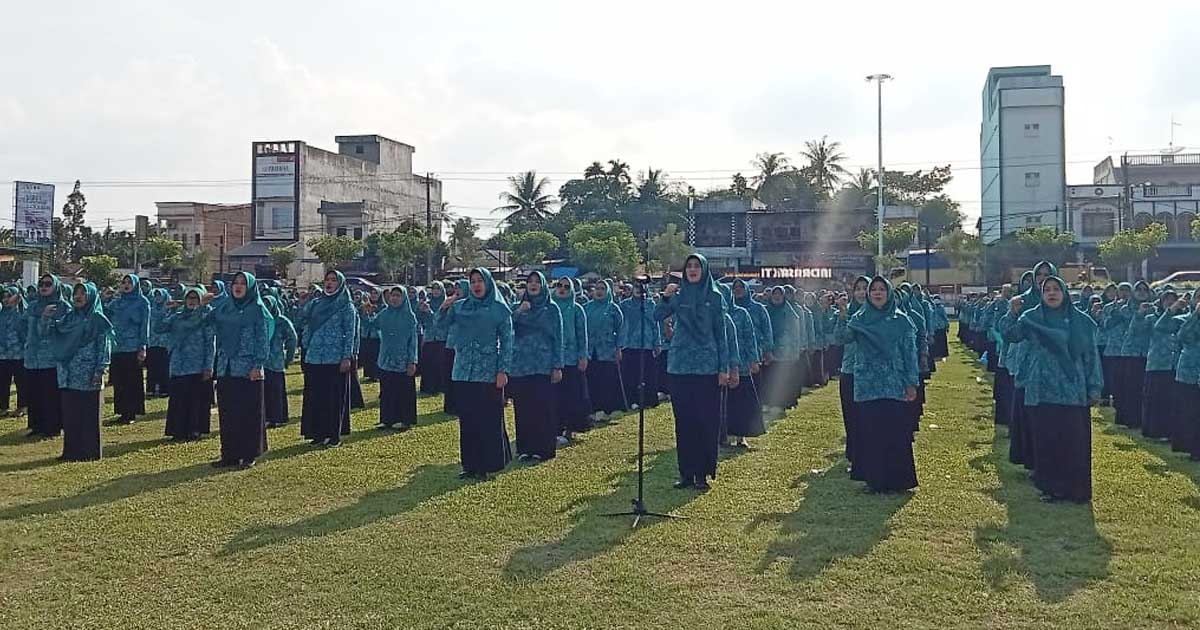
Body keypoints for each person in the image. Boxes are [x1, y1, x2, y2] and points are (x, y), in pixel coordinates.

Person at [998, 275, 1101, 503]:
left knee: (1073, 442)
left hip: (1072, 391)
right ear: (1042, 294)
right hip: (1041, 390)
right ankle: (1051, 489)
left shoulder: (1080, 321)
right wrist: (1011, 312)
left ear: (1064, 293)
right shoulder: (1032, 318)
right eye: (1047, 290)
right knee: (1047, 442)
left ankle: (1076, 491)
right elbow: (1008, 335)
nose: (1052, 293)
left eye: (1056, 289)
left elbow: (1091, 357)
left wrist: (1094, 387)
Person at [834, 276, 919, 494]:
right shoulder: (859, 319)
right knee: (870, 432)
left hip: (893, 384)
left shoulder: (901, 321)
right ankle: (873, 480)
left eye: (882, 289)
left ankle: (897, 480)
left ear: (889, 293)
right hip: (867, 384)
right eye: (874, 290)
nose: (878, 293)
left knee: (894, 432)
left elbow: (910, 354)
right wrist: (842, 313)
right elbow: (841, 338)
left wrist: (911, 383)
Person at [655, 254, 732, 491]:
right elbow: (656, 316)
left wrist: (724, 368)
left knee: (705, 421)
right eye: (688, 266)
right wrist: (666, 296)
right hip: (680, 366)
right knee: (684, 422)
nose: (692, 270)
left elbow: (722, 334)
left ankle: (702, 473)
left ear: (704, 269)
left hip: (707, 367)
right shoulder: (678, 296)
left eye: (697, 266)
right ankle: (686, 472)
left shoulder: (715, 297)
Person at [444, 268, 513, 480]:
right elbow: (438, 326)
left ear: (488, 283)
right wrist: (443, 309)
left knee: (488, 419)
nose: (476, 285)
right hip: (464, 371)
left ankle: (488, 464)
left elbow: (508, 342)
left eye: (480, 281)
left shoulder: (500, 310)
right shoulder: (460, 307)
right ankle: (470, 464)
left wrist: (503, 370)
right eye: (472, 281)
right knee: (468, 419)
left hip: (488, 372)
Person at [42, 281, 112, 462]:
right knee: (71, 414)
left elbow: (104, 346)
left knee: (89, 414)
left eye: (83, 293)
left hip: (89, 374)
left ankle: (89, 452)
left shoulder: (98, 319)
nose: (78, 297)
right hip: (69, 374)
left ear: (91, 296)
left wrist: (100, 370)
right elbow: (51, 333)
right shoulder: (69, 318)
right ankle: (71, 452)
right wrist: (47, 318)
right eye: (76, 293)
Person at [207, 272, 270, 468]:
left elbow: (262, 339)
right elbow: (207, 321)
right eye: (236, 283)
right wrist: (204, 303)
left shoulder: (257, 309)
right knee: (228, 413)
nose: (239, 286)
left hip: (248, 368)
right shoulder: (225, 307)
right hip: (226, 367)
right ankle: (230, 454)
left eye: (243, 283)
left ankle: (248, 454)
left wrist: (258, 365)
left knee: (248, 413)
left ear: (250, 287)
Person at [510, 271, 564, 461]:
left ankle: (543, 448)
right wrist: (519, 311)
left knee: (543, 407)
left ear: (543, 285)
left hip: (543, 364)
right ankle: (525, 448)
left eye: (536, 282)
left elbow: (558, 337)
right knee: (523, 408)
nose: (533, 285)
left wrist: (557, 366)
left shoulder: (551, 309)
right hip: (520, 365)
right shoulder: (518, 308)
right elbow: (507, 328)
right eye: (529, 282)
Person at [301, 270, 357, 447]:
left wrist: (347, 357)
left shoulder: (346, 306)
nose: (329, 283)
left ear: (340, 283)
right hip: (314, 357)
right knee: (315, 397)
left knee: (333, 399)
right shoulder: (316, 304)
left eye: (333, 280)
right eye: (327, 280)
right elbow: (306, 324)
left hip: (335, 359)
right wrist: (306, 346)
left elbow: (350, 334)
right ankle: (317, 434)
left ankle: (333, 436)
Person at [158, 287, 215, 441]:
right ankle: (178, 430)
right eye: (189, 298)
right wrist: (166, 310)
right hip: (178, 364)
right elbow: (159, 328)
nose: (192, 301)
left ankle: (194, 429)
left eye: (195, 298)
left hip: (197, 364)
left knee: (195, 399)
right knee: (178, 399)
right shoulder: (177, 317)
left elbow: (210, 343)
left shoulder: (205, 317)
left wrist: (208, 366)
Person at [24, 275, 71, 438]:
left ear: (56, 286)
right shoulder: (32, 306)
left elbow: (54, 332)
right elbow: (25, 329)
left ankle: (52, 427)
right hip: (32, 357)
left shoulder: (63, 307)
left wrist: (45, 317)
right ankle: (36, 425)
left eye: (48, 284)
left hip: (51, 357)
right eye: (41, 284)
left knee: (50, 394)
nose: (44, 287)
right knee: (34, 392)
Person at [719, 283, 763, 448]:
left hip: (741, 363)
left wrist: (753, 359)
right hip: (720, 365)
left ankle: (740, 436)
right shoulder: (713, 314)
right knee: (722, 403)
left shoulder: (741, 313)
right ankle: (722, 435)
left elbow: (750, 337)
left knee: (741, 403)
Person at [373, 285, 420, 430]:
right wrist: (365, 313)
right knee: (387, 390)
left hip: (403, 360)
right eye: (392, 295)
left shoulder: (409, 316)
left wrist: (412, 361)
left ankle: (404, 420)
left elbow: (413, 341)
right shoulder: (384, 314)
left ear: (403, 298)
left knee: (403, 391)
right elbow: (372, 324)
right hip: (386, 359)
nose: (394, 298)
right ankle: (387, 419)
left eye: (398, 296)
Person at [105, 273, 150, 424]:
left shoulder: (142, 302)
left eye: (129, 282)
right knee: (119, 381)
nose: (126, 285)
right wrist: (105, 297)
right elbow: (105, 314)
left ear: (135, 284)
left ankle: (131, 412)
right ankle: (122, 411)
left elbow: (145, 325)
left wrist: (142, 347)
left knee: (132, 381)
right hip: (118, 346)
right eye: (124, 282)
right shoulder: (117, 302)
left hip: (133, 346)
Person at [551, 277, 591, 443]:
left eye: (567, 287)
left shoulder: (576, 309)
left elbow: (582, 335)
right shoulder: (550, 308)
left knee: (571, 396)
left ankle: (570, 427)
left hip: (571, 359)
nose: (562, 289)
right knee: (554, 397)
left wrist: (583, 356)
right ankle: (554, 428)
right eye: (559, 285)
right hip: (552, 360)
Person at [839, 276, 869, 476]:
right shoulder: (847, 312)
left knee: (865, 417)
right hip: (848, 370)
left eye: (865, 288)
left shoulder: (875, 315)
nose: (861, 292)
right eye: (857, 289)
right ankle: (853, 453)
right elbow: (839, 336)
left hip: (868, 373)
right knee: (850, 416)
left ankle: (865, 456)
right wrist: (841, 314)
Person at [1142, 289, 1182, 441]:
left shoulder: (1180, 318)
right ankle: (1155, 431)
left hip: (1173, 365)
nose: (1170, 303)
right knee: (1157, 400)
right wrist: (1170, 311)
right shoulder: (1152, 317)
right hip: (1157, 364)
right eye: (1167, 300)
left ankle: (1170, 431)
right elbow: (1159, 327)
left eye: (1173, 300)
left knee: (1171, 401)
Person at [584, 280, 626, 421]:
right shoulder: (586, 308)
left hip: (607, 351)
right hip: (590, 351)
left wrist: (619, 347)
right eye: (597, 288)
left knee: (607, 381)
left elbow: (621, 329)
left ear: (607, 291)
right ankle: (595, 409)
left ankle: (608, 409)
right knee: (592, 381)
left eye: (602, 288)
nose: (599, 291)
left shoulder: (613, 308)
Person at [1116, 281, 1153, 429]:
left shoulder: (1153, 309)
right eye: (1139, 289)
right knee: (1130, 387)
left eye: (1145, 290)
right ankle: (1129, 419)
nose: (1142, 292)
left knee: (1144, 389)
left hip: (1147, 351)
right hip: (1131, 351)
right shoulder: (1125, 308)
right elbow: (1131, 327)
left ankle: (1143, 419)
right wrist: (1139, 313)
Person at [619, 282, 661, 410]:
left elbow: (655, 324)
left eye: (641, 288)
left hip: (647, 344)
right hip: (630, 344)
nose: (639, 290)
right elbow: (620, 324)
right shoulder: (625, 304)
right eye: (636, 287)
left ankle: (649, 400)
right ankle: (632, 400)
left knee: (649, 374)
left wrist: (657, 342)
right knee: (631, 375)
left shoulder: (650, 304)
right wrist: (619, 344)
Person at [763, 286, 800, 417]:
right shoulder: (766, 310)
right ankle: (767, 403)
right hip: (769, 350)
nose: (777, 296)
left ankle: (781, 404)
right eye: (775, 294)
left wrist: (795, 350)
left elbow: (795, 332)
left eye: (779, 294)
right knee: (768, 378)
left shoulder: (789, 312)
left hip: (785, 351)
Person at [263, 295, 298, 428]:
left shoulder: (282, 321)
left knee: (276, 392)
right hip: (262, 362)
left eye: (268, 304)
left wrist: (288, 358)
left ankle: (278, 417)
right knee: (264, 392)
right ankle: (266, 417)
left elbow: (292, 339)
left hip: (276, 362)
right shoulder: (260, 320)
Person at [0, 285, 28, 418]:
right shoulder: (2, 314)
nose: (5, 299)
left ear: (17, 298)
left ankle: (22, 406)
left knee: (20, 382)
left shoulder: (21, 314)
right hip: (3, 355)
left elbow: (26, 334)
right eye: (4, 296)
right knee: (2, 381)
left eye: (9, 296)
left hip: (19, 354)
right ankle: (3, 407)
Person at [417, 281, 448, 395]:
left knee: (440, 363)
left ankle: (440, 387)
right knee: (428, 363)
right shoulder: (427, 303)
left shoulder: (446, 304)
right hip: (429, 337)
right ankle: (428, 387)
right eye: (433, 289)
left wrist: (429, 312)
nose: (435, 291)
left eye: (438, 289)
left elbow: (439, 321)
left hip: (441, 338)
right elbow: (419, 319)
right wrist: (420, 309)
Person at [145, 288, 172, 398]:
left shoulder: (170, 310)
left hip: (165, 344)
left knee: (164, 368)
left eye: (160, 295)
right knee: (152, 368)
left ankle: (164, 389)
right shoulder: (150, 309)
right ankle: (151, 389)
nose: (157, 298)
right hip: (152, 343)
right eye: (156, 295)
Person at [359, 287, 382, 382]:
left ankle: (376, 375)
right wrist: (365, 312)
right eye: (372, 293)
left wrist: (373, 313)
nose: (373, 295)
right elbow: (363, 320)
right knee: (368, 355)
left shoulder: (382, 306)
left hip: (377, 336)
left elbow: (379, 322)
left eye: (376, 293)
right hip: (366, 334)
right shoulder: (365, 306)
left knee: (376, 355)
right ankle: (369, 374)